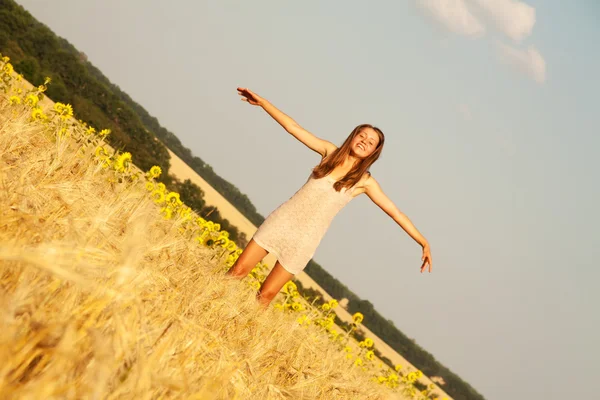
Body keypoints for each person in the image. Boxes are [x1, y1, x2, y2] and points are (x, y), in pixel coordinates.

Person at [226, 87, 432, 309]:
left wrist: (423, 241)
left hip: (306, 240)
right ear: (353, 137)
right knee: (237, 272)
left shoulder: (365, 182)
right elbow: (292, 127)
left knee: (264, 297)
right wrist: (263, 103)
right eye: (361, 135)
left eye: (370, 142)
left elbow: (396, 213)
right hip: (282, 221)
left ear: (374, 152)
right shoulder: (328, 152)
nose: (364, 141)